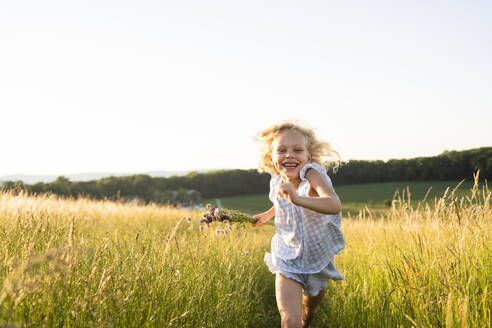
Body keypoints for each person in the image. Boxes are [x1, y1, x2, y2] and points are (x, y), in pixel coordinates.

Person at [252, 121, 345, 328]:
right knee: (289, 320)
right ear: (271, 157)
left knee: (308, 313)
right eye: (281, 150)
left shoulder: (312, 174)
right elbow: (282, 202)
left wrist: (298, 199)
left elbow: (334, 204)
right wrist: (268, 215)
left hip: (317, 260)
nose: (289, 155)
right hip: (287, 258)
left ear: (308, 157)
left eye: (297, 150)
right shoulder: (277, 179)